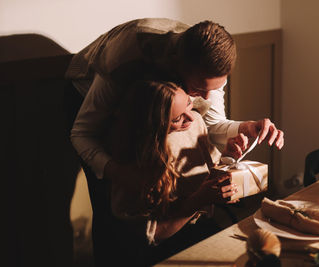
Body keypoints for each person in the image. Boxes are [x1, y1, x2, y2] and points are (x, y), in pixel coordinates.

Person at [65, 18, 284, 183]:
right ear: (178, 66)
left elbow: (212, 124)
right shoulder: (124, 59)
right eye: (198, 89)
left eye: (214, 89)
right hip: (86, 88)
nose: (206, 99)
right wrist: (120, 174)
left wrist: (245, 128)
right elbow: (82, 134)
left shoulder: (207, 68)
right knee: (111, 198)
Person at [100, 80, 247, 266]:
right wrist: (199, 200)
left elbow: (211, 167)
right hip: (164, 246)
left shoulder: (195, 124)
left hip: (201, 225)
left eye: (188, 104)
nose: (191, 118)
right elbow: (152, 235)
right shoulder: (134, 165)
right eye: (177, 119)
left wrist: (227, 156)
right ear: (154, 124)